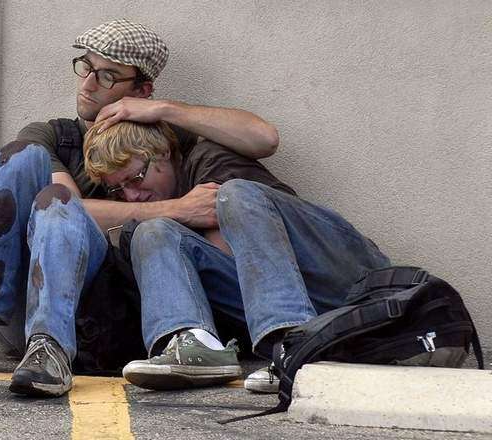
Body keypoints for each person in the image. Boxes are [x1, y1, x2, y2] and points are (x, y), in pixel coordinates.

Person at [0, 19, 279, 398]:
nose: (88, 84)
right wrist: (179, 209)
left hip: (110, 312)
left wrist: (164, 110)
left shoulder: (162, 142)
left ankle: (50, 347)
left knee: (59, 204)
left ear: (141, 89)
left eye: (107, 75)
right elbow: (68, 210)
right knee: (26, 165)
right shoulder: (52, 137)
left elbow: (264, 138)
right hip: (30, 303)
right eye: (85, 67)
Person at [83, 120, 392, 392]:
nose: (132, 195)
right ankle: (193, 343)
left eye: (135, 178)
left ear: (162, 152)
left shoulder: (209, 161)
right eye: (119, 190)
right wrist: (172, 215)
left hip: (351, 282)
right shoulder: (167, 207)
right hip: (306, 315)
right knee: (150, 232)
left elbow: (239, 248)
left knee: (236, 194)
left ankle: (292, 342)